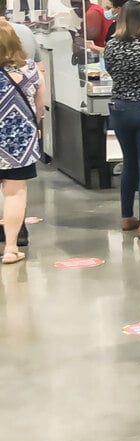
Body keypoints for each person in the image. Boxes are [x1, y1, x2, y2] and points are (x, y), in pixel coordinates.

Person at [102, 0, 140, 239]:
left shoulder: (111, 46)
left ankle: (127, 217)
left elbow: (111, 71)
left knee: (129, 163)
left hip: (119, 110)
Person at [0, 21, 43, 264]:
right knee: (15, 194)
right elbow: (39, 109)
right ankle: (11, 248)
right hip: (19, 145)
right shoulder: (29, 70)